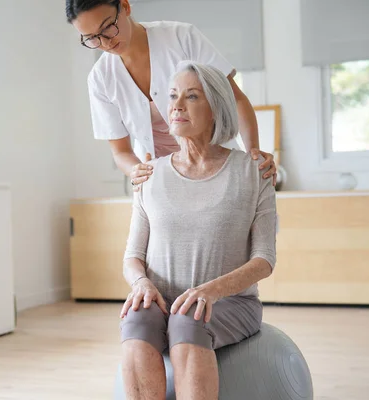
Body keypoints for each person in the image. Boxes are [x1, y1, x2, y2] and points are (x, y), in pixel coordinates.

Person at [117, 61, 276, 399]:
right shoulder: (149, 175)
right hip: (164, 299)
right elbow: (133, 256)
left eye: (191, 97)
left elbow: (264, 259)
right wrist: (141, 283)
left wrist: (210, 291)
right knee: (137, 317)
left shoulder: (253, 172)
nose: (175, 106)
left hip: (231, 303)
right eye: (173, 96)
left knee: (190, 317)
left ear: (217, 107)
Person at [66, 0, 277, 190]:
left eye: (108, 28)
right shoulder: (100, 78)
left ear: (125, 7)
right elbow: (121, 151)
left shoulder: (181, 38)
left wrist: (253, 155)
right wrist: (136, 170)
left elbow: (235, 98)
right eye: (92, 38)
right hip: (160, 178)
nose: (105, 43)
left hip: (216, 162)